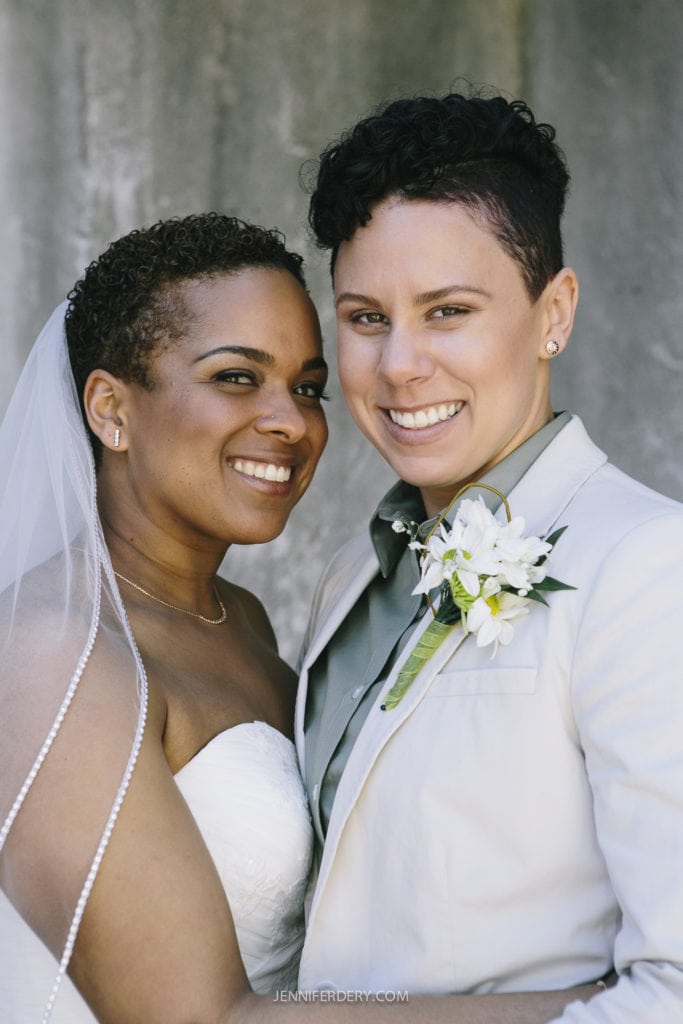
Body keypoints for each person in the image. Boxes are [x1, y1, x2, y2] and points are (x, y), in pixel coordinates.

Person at [0, 212, 607, 1024]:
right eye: (236, 378)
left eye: (308, 387)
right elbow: (199, 1018)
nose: (291, 422)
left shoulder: (238, 619)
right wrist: (598, 1004)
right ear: (110, 409)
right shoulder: (55, 652)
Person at [296, 92, 683, 1021]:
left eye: (448, 311)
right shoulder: (351, 574)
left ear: (554, 312)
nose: (398, 365)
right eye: (363, 318)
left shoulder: (646, 566)